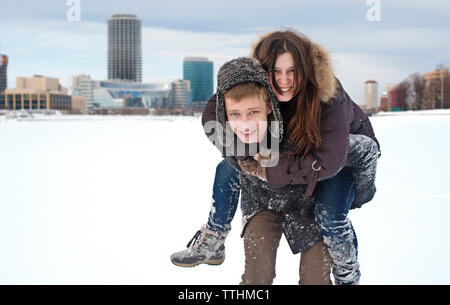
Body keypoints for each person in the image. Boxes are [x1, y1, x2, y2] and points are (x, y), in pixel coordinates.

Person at [171, 30, 380, 285]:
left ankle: (348, 276)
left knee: (330, 217)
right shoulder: (256, 85)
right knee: (227, 169)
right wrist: (243, 155)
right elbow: (213, 114)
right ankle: (213, 239)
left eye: (292, 71)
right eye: (276, 72)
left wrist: (268, 170)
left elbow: (330, 160)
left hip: (343, 161)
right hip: (297, 155)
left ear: (305, 68)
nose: (284, 80)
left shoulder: (328, 94)